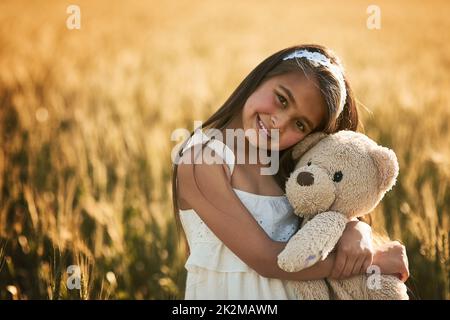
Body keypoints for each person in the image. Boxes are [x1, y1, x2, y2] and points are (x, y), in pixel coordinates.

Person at [171, 44, 409, 299]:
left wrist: (355, 228)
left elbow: (329, 211)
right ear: (262, 77)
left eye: (299, 124)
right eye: (282, 99)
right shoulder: (202, 160)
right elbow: (266, 259)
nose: (279, 123)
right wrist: (370, 263)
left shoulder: (291, 167)